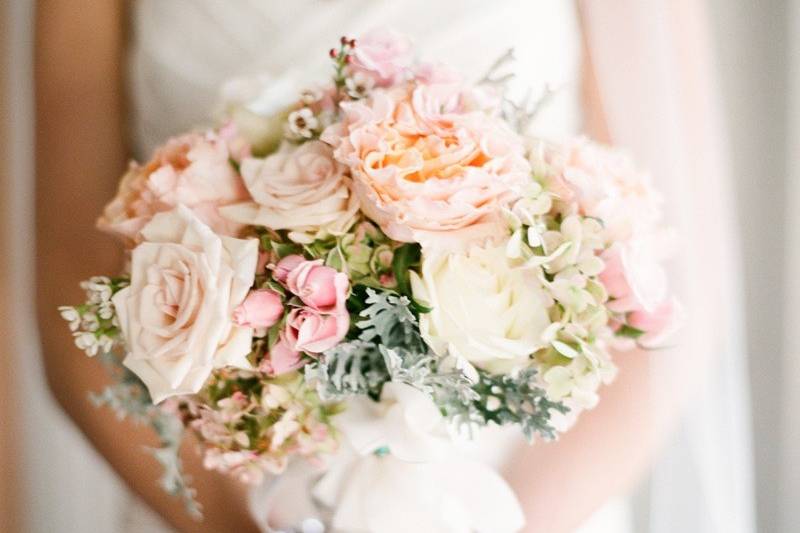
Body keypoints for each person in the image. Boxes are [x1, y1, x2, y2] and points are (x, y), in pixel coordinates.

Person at [35, 1, 752, 532]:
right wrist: (239, 525)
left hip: (532, 490)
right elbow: (73, 269)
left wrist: (508, 522)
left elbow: (677, 274)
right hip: (217, 494)